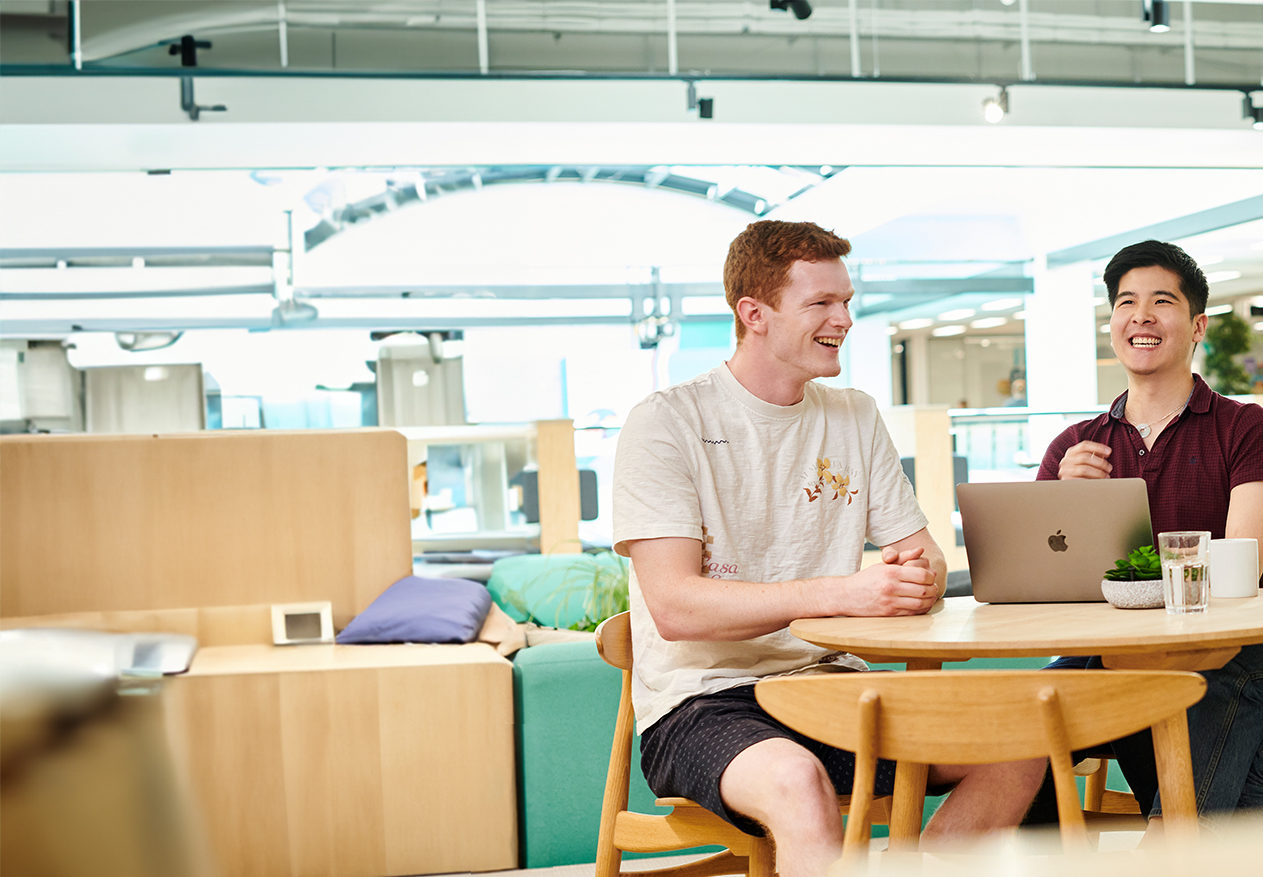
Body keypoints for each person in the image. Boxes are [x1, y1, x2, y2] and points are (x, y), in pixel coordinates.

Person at [612, 220, 1047, 877]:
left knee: (1023, 743)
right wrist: (846, 592)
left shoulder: (853, 414)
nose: (843, 318)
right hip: (704, 701)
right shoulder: (667, 421)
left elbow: (919, 554)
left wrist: (918, 576)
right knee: (796, 779)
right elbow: (675, 607)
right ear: (752, 313)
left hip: (834, 688)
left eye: (845, 301)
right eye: (820, 303)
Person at [1031, 239, 1263, 828]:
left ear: (1197, 326)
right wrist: (1061, 499)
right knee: (1023, 718)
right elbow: (1034, 584)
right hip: (1107, 653)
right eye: (1126, 302)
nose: (1141, 316)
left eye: (1162, 301)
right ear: (1112, 324)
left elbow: (1244, 564)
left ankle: (1166, 847)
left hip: (1225, 652)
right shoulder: (1074, 447)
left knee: (1209, 691)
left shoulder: (1245, 428)